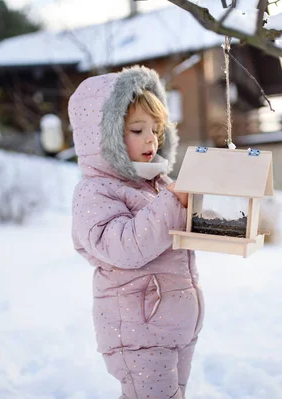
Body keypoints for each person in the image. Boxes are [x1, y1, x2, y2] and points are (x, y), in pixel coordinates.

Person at [70, 65, 204, 398]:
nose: (151, 139)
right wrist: (175, 202)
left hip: (176, 324)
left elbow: (176, 233)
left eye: (157, 129)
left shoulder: (159, 185)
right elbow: (125, 246)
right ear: (105, 136)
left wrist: (209, 218)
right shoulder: (96, 191)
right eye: (136, 129)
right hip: (139, 332)